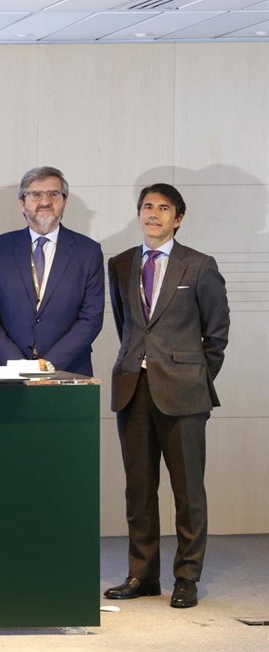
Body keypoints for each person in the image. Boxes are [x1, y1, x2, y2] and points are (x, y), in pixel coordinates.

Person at [103, 184, 229, 609]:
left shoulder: (200, 265)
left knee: (188, 490)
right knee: (138, 490)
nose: (153, 214)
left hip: (184, 392)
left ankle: (187, 577)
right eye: (146, 207)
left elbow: (217, 333)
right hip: (132, 389)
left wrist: (194, 377)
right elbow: (126, 325)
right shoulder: (120, 263)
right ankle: (143, 574)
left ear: (178, 218)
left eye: (163, 208)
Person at [0, 166, 103, 375]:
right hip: (9, 373)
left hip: (68, 372)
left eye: (54, 194)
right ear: (22, 202)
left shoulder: (88, 251)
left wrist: (49, 363)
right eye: (35, 194)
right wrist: (17, 364)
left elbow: (91, 318)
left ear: (64, 201)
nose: (45, 201)